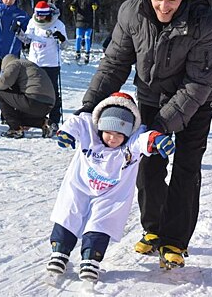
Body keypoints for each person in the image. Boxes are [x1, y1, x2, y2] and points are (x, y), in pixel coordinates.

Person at [74, 0, 212, 269]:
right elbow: (114, 63)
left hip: (199, 98)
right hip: (152, 95)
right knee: (147, 163)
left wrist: (163, 126)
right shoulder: (132, 12)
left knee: (186, 165)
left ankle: (175, 240)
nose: (164, 7)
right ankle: (153, 229)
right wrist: (89, 107)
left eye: (172, 0)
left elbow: (198, 81)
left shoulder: (203, 22)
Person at [47, 92, 175, 281]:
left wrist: (156, 139)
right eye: (108, 132)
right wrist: (66, 133)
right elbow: (77, 122)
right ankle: (59, 252)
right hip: (80, 186)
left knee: (102, 222)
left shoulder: (131, 142)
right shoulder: (90, 130)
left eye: (119, 134)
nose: (112, 139)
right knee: (69, 211)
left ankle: (91, 258)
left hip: (110, 194)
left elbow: (143, 139)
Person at [24, 0, 68, 135]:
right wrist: (18, 32)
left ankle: (54, 120)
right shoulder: (32, 22)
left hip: (51, 64)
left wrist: (61, 39)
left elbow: (64, 46)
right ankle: (31, 119)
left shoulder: (58, 24)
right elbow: (26, 40)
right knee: (32, 92)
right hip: (34, 62)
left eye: (43, 15)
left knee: (52, 92)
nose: (40, 18)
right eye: (38, 15)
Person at [0, 54, 55, 138]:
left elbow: (4, 82)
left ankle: (15, 129)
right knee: (16, 117)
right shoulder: (29, 65)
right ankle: (45, 123)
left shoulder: (14, 64)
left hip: (33, 99)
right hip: (48, 104)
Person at [69, 0, 99, 64]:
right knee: (78, 37)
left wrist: (95, 6)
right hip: (80, 21)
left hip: (89, 22)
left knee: (87, 38)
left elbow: (97, 5)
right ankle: (77, 52)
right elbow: (73, 4)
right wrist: (72, 7)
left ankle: (87, 53)